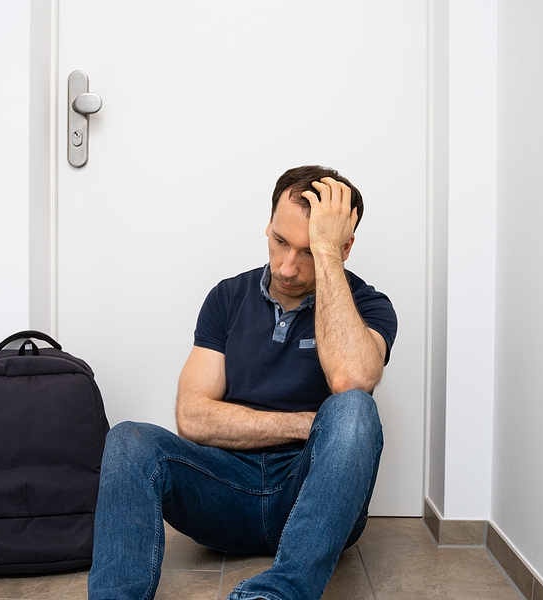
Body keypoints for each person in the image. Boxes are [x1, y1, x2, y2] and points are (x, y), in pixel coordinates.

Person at [87, 165, 398, 600]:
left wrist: (327, 255)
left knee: (355, 408)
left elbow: (350, 380)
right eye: (280, 241)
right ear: (268, 226)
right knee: (128, 439)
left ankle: (279, 593)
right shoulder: (227, 297)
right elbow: (192, 418)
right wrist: (306, 426)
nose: (287, 267)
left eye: (309, 251)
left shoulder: (368, 305)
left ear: (344, 248)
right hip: (225, 491)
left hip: (310, 492)